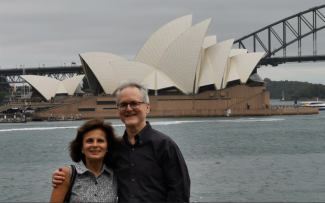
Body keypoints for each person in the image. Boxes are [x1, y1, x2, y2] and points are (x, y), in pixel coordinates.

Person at [53, 81, 191, 202]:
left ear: (147, 107)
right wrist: (63, 176)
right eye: (123, 105)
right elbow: (92, 167)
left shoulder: (164, 145)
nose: (129, 109)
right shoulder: (114, 148)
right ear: (119, 110)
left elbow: (179, 192)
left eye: (134, 103)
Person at [50, 119, 121, 202]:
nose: (95, 145)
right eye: (89, 141)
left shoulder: (115, 175)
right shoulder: (68, 175)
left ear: (107, 147)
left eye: (100, 141)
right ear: (82, 147)